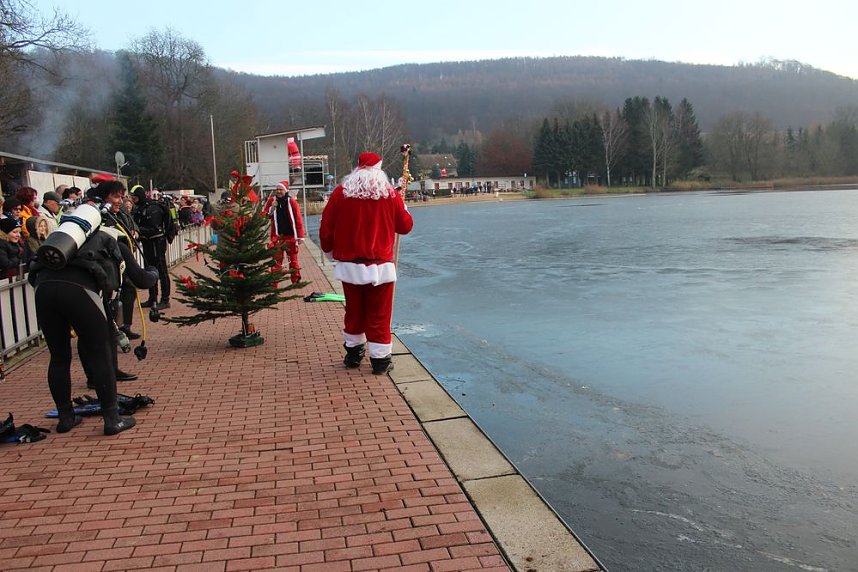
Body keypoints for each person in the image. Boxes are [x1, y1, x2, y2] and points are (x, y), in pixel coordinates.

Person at [29, 182, 158, 435]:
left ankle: (66, 418)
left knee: (59, 357)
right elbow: (141, 279)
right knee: (101, 352)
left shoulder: (58, 244)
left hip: (44, 291)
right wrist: (153, 272)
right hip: (80, 293)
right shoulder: (109, 239)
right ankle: (112, 419)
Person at [319, 152, 414, 375]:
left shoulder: (340, 193)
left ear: (357, 170)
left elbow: (326, 227)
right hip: (380, 266)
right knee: (379, 314)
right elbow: (405, 226)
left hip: (350, 266)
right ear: (379, 171)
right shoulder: (389, 194)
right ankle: (380, 360)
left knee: (354, 311)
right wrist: (405, 209)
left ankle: (353, 353)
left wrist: (330, 251)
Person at [131, 186, 171, 309]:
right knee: (149, 270)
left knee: (162, 271)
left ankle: (165, 299)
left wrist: (138, 231)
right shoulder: (140, 208)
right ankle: (152, 297)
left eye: (135, 197)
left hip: (157, 243)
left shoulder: (153, 208)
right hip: (147, 242)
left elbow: (155, 229)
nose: (134, 200)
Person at [264, 180, 306, 284]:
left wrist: (300, 236)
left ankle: (295, 281)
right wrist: (272, 208)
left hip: (291, 236)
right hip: (277, 237)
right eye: (277, 189)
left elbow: (298, 219)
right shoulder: (272, 201)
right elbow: (265, 215)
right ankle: (274, 283)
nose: (278, 191)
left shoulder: (291, 202)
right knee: (276, 261)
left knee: (293, 260)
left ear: (285, 190)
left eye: (280, 189)